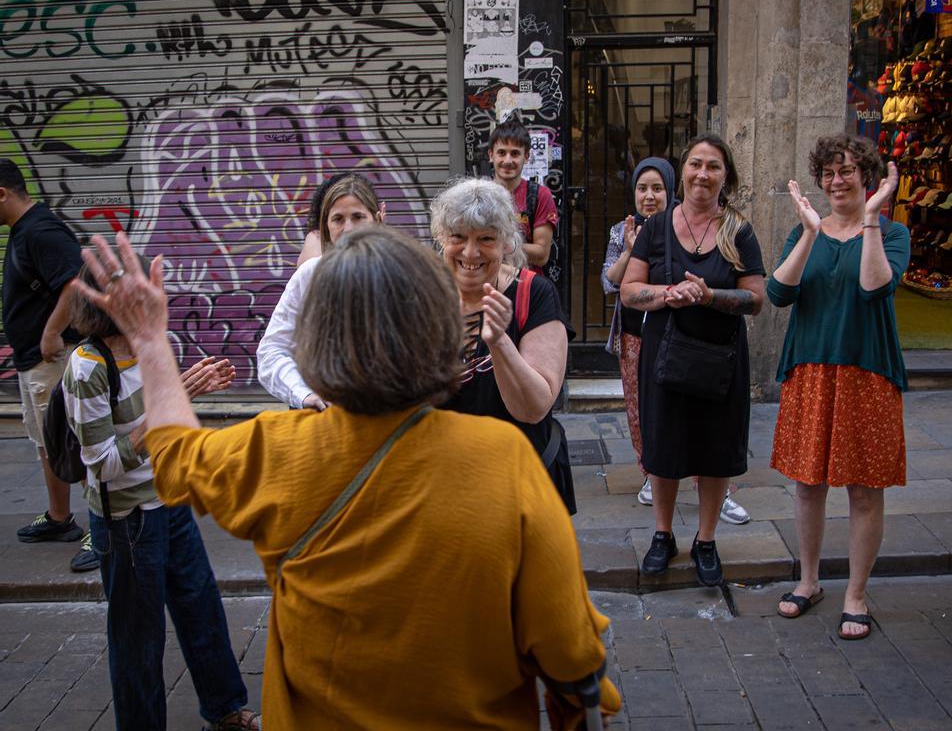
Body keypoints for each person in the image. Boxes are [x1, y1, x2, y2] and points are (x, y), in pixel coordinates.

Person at [72, 227, 620, 728]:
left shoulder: (273, 450)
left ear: (316, 342)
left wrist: (149, 343)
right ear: (437, 332)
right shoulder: (504, 461)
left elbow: (172, 454)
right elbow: (570, 653)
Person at [63, 260, 255, 731]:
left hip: (170, 501)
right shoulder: (87, 368)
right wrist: (160, 412)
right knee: (138, 639)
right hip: (127, 521)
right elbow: (103, 463)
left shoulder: (153, 346)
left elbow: (162, 424)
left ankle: (226, 709)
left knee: (201, 607)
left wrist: (188, 390)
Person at [768, 135, 909, 641]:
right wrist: (809, 234)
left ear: (867, 176)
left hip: (866, 370)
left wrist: (870, 218)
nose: (837, 181)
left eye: (847, 171)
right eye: (828, 173)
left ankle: (855, 592)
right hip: (811, 369)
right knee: (808, 484)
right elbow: (778, 293)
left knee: (865, 489)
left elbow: (875, 287)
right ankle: (808, 581)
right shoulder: (805, 231)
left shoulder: (892, 233)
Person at [620, 134, 765, 587]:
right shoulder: (656, 227)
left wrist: (709, 295)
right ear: (682, 171)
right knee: (664, 447)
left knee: (714, 449)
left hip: (720, 358)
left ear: (726, 176)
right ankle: (662, 535)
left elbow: (756, 298)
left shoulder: (737, 230)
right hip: (665, 355)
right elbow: (628, 290)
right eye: (696, 164)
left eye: (714, 166)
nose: (703, 174)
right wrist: (670, 294)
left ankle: (706, 540)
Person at [601, 157, 750, 523]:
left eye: (657, 189)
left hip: (691, 340)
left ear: (671, 190)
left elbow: (752, 293)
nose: (649, 196)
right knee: (645, 414)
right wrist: (630, 250)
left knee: (704, 425)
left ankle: (714, 491)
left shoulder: (707, 230)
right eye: (642, 188)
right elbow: (611, 283)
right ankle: (651, 475)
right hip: (639, 335)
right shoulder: (626, 230)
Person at [433, 179, 576, 512]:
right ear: (442, 239)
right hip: (445, 485)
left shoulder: (535, 294)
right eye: (458, 237)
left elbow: (533, 407)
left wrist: (499, 341)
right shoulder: (425, 294)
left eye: (485, 239)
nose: (470, 252)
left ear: (506, 244)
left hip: (517, 484)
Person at [0, 158, 95, 572]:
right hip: (33, 361)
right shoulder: (24, 230)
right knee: (46, 442)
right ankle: (60, 518)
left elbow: (76, 282)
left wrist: (52, 333)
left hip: (51, 360)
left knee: (78, 441)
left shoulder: (41, 230)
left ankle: (103, 528)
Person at [258, 173, 382, 409]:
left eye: (358, 217)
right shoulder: (309, 276)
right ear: (325, 225)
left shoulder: (401, 274)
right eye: (338, 219)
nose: (348, 228)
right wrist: (304, 395)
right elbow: (271, 351)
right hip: (321, 423)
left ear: (376, 219)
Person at [488, 117, 558, 273]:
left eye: (515, 154)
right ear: (491, 155)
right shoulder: (478, 194)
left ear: (526, 157)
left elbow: (542, 255)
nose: (507, 160)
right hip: (486, 285)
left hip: (527, 287)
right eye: (501, 153)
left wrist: (497, 245)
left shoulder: (540, 195)